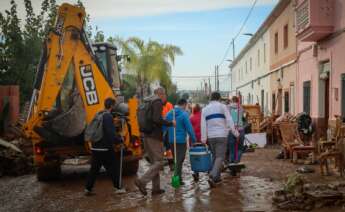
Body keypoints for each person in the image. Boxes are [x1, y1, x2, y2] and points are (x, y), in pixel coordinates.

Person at [135, 87, 175, 196]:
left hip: (146, 135)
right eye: (165, 94)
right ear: (160, 94)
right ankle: (142, 181)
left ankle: (156, 189)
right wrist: (170, 123)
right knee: (160, 162)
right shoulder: (157, 102)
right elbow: (157, 119)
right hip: (154, 136)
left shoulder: (147, 101)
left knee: (154, 162)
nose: (165, 97)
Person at [85, 98, 125, 196]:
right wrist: (119, 140)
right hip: (105, 148)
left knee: (94, 169)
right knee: (113, 167)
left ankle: (88, 188)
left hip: (95, 147)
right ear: (111, 106)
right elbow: (110, 133)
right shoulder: (107, 116)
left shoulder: (99, 114)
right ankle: (118, 187)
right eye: (114, 105)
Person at [201, 92, 239, 187]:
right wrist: (235, 133)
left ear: (210, 98)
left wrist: (203, 138)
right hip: (221, 135)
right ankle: (213, 175)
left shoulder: (205, 109)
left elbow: (203, 125)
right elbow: (229, 120)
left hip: (210, 137)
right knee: (220, 157)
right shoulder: (223, 107)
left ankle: (217, 179)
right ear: (219, 99)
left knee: (215, 157)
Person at [165, 99, 197, 185]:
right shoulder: (184, 114)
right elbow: (189, 128)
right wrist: (194, 139)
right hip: (181, 141)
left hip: (171, 140)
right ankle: (176, 178)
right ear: (184, 105)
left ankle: (179, 179)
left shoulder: (168, 114)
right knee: (179, 160)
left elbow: (164, 127)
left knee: (177, 160)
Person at [228, 96, 245, 164]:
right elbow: (244, 116)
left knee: (231, 147)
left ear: (232, 101)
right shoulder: (241, 107)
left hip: (231, 129)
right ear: (238, 101)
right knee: (240, 147)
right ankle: (237, 161)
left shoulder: (228, 107)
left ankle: (231, 161)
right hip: (240, 129)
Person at [190, 104, 202, 181]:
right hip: (202, 137)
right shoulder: (202, 116)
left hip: (193, 138)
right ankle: (208, 169)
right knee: (205, 153)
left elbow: (189, 129)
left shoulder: (191, 117)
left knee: (195, 155)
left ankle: (196, 172)